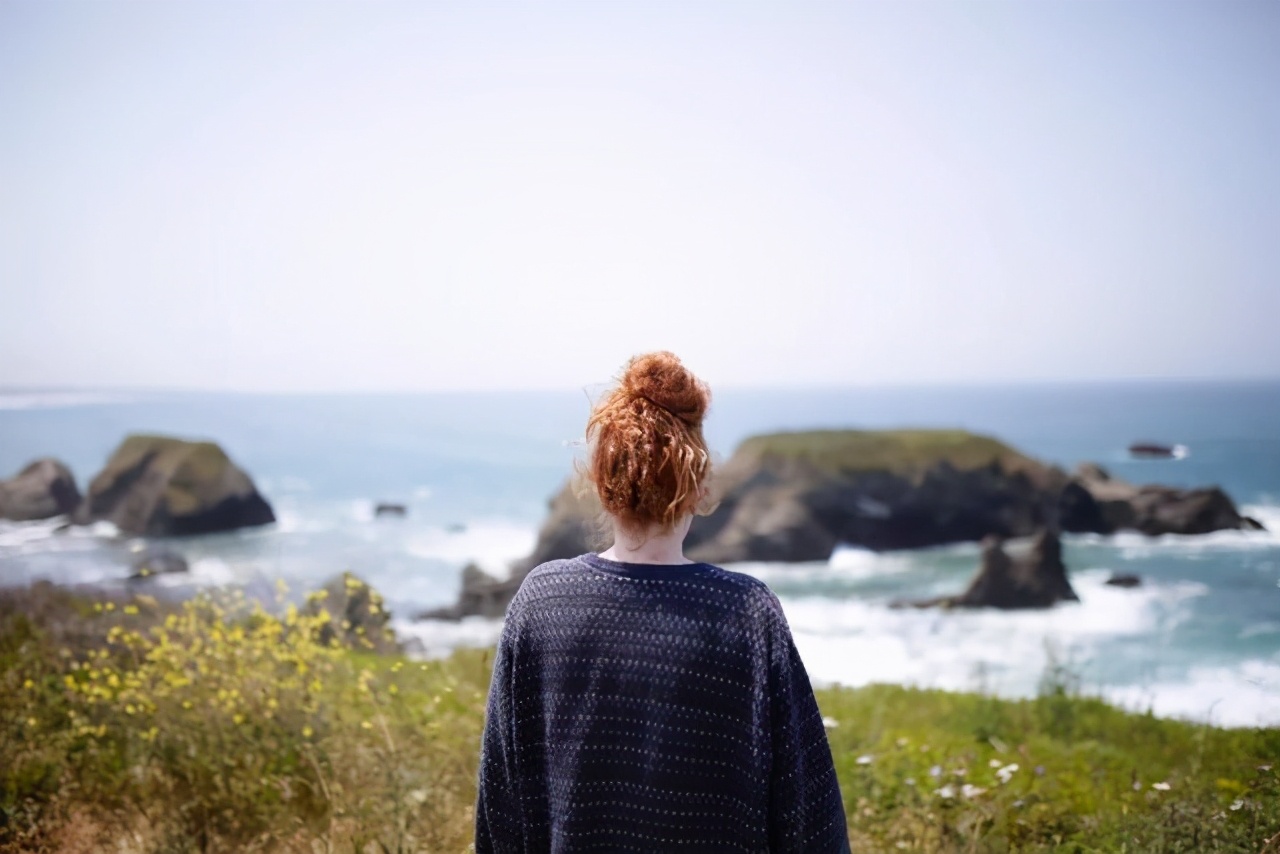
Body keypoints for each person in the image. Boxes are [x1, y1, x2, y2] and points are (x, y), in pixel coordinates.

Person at [475, 352, 850, 853]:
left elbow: (502, 803)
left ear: (604, 486)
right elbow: (807, 815)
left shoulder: (542, 602)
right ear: (696, 487)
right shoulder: (745, 611)